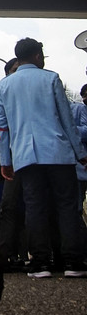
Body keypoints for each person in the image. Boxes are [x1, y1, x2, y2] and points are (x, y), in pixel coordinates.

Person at [0, 37, 87, 278]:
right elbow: (67, 120)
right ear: (37, 56)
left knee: (34, 207)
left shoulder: (4, 86)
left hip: (25, 157)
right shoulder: (51, 79)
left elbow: (1, 128)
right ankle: (73, 263)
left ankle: (40, 263)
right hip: (57, 152)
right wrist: (81, 153)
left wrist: (6, 160)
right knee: (66, 206)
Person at [0, 58, 26, 272]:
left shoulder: (31, 95)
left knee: (36, 207)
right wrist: (5, 162)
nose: (18, 74)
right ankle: (6, 254)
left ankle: (35, 255)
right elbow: (0, 129)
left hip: (35, 159)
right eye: (14, 70)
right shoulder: (3, 94)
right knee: (9, 206)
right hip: (13, 161)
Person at [70, 84, 87, 257]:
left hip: (79, 167)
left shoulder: (78, 109)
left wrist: (68, 129)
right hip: (75, 168)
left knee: (75, 209)